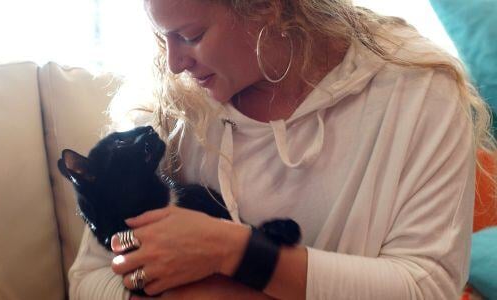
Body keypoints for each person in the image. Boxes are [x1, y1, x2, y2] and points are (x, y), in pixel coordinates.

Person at [69, 0, 496, 299]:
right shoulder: (169, 102)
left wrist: (232, 252)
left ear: (266, 6)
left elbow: (426, 287)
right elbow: (89, 279)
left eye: (190, 35)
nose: (175, 62)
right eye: (163, 38)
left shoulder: (416, 89)